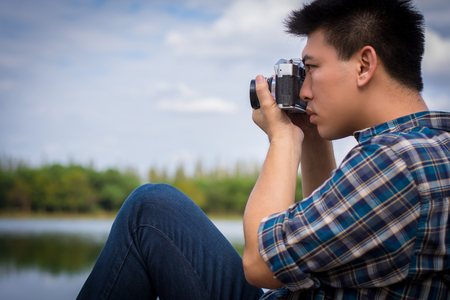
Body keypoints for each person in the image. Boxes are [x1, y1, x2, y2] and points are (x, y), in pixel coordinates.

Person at [77, 0, 450, 299]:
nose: (304, 91)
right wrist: (311, 136)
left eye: (311, 68)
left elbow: (260, 265)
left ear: (364, 64)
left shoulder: (394, 162)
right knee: (155, 206)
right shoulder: (429, 148)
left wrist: (283, 140)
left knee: (149, 209)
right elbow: (322, 231)